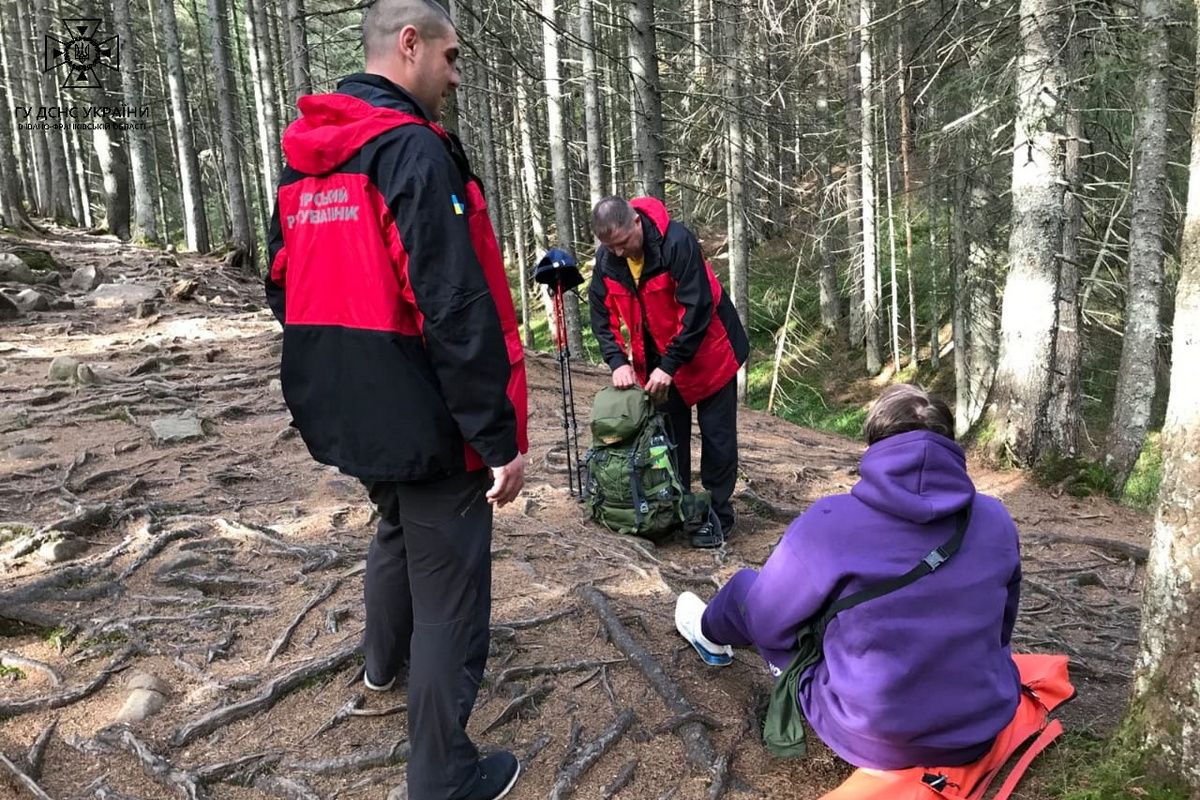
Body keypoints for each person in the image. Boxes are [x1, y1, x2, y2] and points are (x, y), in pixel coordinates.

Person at [264, 1, 527, 797]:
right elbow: (454, 304)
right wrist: (498, 435)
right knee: (451, 581)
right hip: (423, 404)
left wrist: (341, 362)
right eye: (450, 59)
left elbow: (282, 280)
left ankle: (384, 664)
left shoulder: (307, 154)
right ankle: (443, 774)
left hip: (345, 400)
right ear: (409, 45)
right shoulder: (411, 150)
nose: (454, 78)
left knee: (393, 522)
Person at [675, 384, 1022, 769]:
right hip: (980, 727)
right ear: (951, 445)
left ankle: (706, 633)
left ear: (875, 445)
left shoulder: (829, 521)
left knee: (746, 590)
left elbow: (766, 624)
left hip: (871, 736)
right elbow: (1002, 627)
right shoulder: (996, 519)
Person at [588, 196, 749, 548]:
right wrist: (618, 361)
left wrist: (670, 365)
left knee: (717, 438)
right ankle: (676, 508)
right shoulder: (608, 260)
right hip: (657, 362)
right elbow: (601, 316)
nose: (619, 253)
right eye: (610, 247)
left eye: (623, 243)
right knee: (668, 439)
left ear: (635, 223)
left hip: (710, 352)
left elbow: (697, 309)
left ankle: (717, 515)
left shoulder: (677, 242)